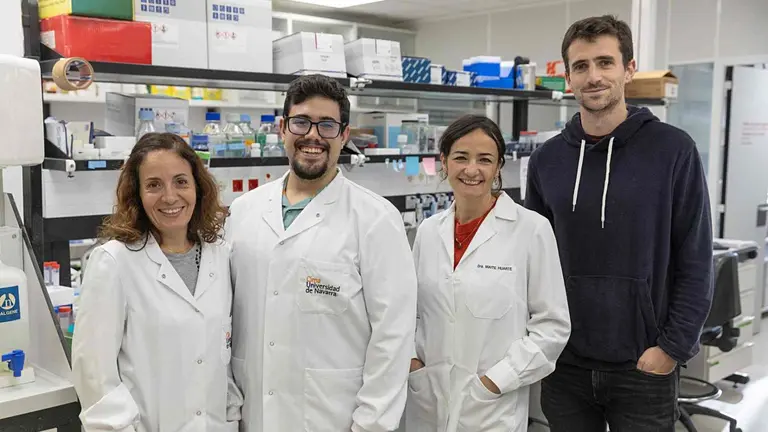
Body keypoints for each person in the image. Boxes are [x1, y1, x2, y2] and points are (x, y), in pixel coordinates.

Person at [524, 15, 714, 431]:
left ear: (628, 69)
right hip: (565, 363)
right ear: (568, 78)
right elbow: (531, 261)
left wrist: (671, 348)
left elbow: (696, 260)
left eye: (605, 62)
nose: (593, 76)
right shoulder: (547, 161)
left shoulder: (674, 150)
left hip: (643, 365)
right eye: (581, 66)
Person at [225, 74, 418, 432]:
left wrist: (371, 425)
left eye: (327, 125)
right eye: (301, 122)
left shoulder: (375, 219)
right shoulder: (242, 212)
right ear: (283, 128)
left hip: (334, 419)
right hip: (253, 417)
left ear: (344, 136)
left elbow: (393, 338)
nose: (312, 135)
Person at [406, 115, 571, 432]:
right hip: (428, 398)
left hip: (491, 407)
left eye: (484, 160)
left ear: (498, 168)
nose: (471, 170)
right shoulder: (428, 232)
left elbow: (552, 326)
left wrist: (495, 382)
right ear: (444, 162)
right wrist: (414, 365)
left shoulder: (531, 230)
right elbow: (410, 313)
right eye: (460, 157)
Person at [72, 133, 242, 431]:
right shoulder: (114, 262)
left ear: (197, 188)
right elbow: (95, 377)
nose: (170, 197)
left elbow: (220, 363)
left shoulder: (220, 255)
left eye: (181, 181)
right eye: (153, 185)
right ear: (136, 193)